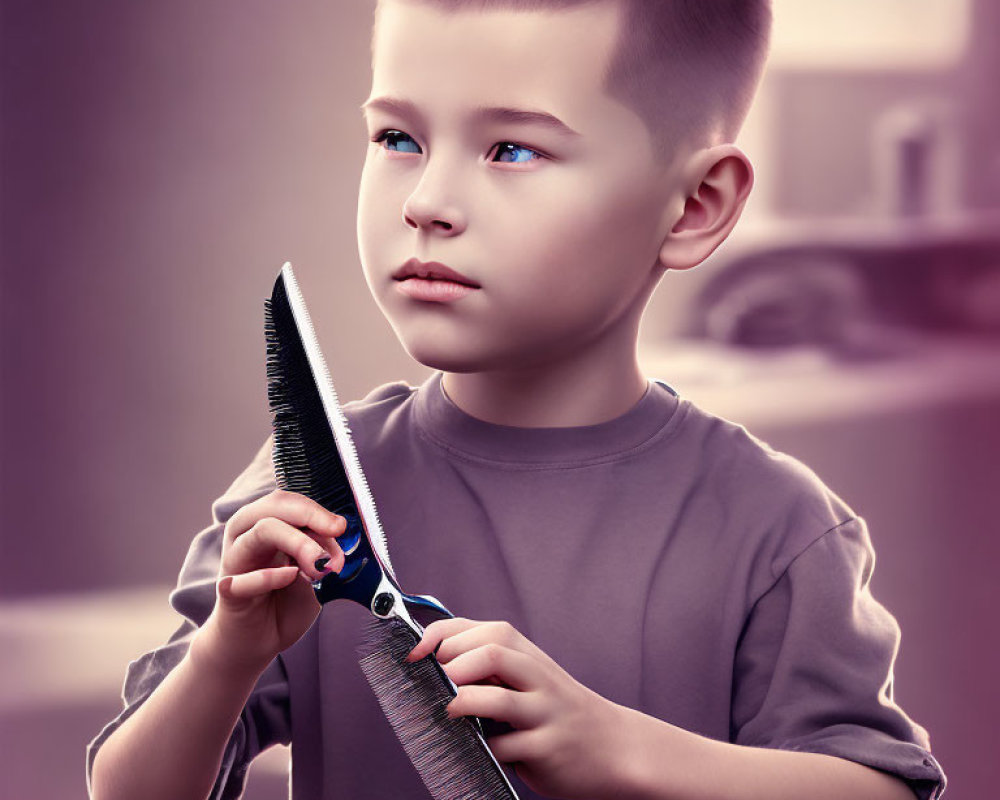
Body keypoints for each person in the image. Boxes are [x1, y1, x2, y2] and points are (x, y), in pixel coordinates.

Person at [87, 1, 947, 798]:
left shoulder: (776, 530)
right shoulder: (305, 498)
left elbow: (879, 787)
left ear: (693, 206)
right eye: (397, 138)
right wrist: (225, 657)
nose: (426, 203)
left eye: (512, 150)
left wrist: (617, 748)